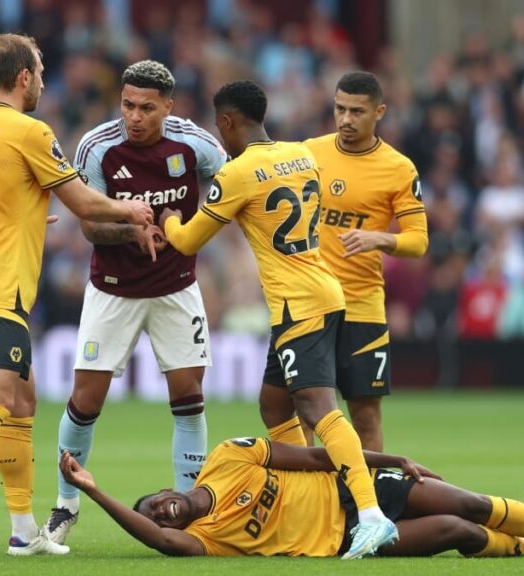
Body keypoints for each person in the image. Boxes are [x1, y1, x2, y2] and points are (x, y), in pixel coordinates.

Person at [0, 33, 153, 561]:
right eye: (40, 71)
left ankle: (23, 529)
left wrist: (18, 214)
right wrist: (131, 210)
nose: (44, 80)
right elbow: (85, 204)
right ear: (23, 77)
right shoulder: (29, 130)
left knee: (22, 403)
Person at [158, 80, 397, 560]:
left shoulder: (238, 172)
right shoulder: (301, 154)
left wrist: (161, 214)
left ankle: (370, 515)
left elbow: (186, 241)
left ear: (226, 122)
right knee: (274, 405)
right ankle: (311, 489)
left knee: (317, 408)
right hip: (322, 289)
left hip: (297, 304)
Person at [43, 60, 227, 546]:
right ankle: (65, 505)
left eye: (147, 107)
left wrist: (191, 230)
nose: (135, 116)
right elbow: (88, 223)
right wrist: (132, 228)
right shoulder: (97, 146)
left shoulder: (198, 145)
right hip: (113, 289)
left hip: (176, 288)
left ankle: (190, 509)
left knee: (188, 399)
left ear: (169, 106)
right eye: (128, 105)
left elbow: (230, 192)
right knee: (85, 402)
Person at [58, 438, 524, 558]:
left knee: (467, 502)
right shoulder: (206, 542)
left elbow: (319, 456)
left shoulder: (228, 457)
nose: (161, 511)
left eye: (155, 501)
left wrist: (391, 458)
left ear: (170, 488)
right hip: (346, 539)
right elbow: (159, 541)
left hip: (355, 489)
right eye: (153, 517)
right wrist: (96, 491)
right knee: (461, 534)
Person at [260, 71, 427, 452]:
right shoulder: (306, 152)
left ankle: (373, 504)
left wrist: (380, 238)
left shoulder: (398, 168)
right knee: (302, 411)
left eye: (357, 111)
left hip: (361, 306)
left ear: (379, 112)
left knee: (365, 414)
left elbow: (418, 241)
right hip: (308, 306)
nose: (346, 119)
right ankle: (312, 501)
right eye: (340, 109)